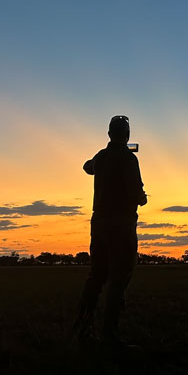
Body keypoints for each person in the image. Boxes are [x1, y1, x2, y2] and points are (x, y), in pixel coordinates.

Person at [73, 115, 147, 348]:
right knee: (119, 277)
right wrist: (142, 198)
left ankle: (82, 328)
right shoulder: (127, 158)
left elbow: (87, 167)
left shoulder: (102, 157)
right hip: (121, 223)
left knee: (97, 276)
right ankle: (109, 334)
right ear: (127, 135)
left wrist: (96, 161)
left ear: (108, 134)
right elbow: (137, 194)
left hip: (99, 223)